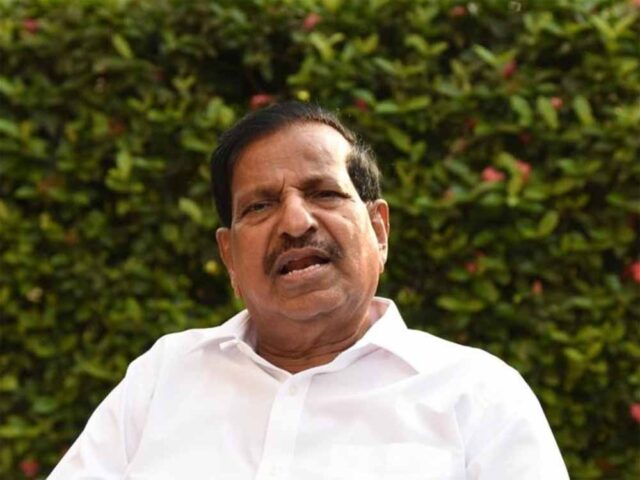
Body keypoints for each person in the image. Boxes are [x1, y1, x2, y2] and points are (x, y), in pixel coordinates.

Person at [49, 102, 569, 479]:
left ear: (379, 230)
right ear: (229, 257)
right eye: (260, 206)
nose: (296, 222)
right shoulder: (165, 376)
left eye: (323, 193)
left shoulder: (477, 394)